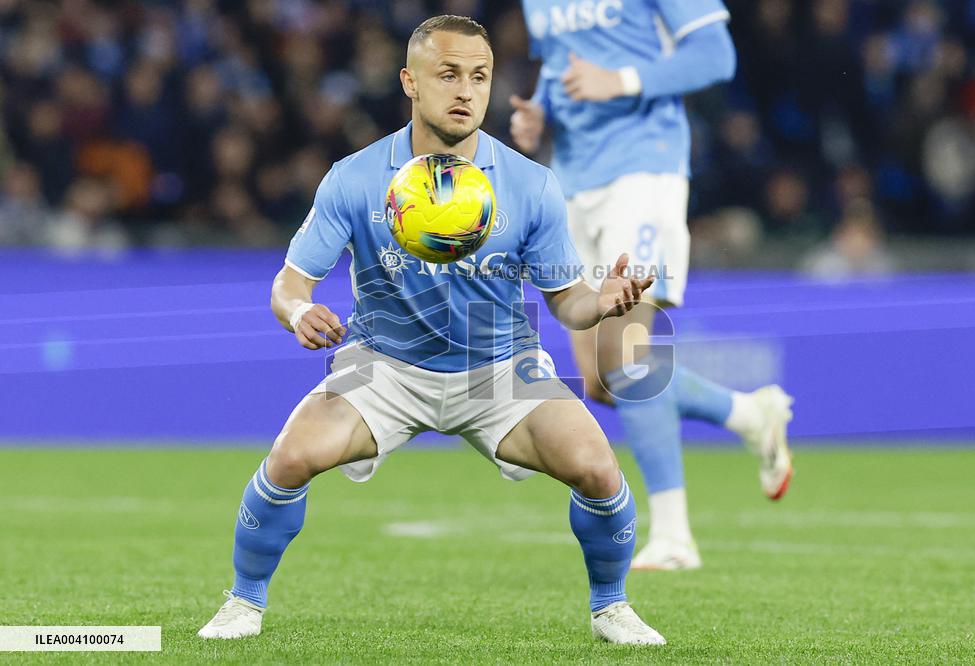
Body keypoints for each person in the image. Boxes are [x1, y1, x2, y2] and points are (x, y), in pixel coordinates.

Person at [198, 15, 668, 646]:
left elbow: (566, 303)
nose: (466, 91)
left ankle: (611, 606)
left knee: (599, 472)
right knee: (291, 458)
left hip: (501, 365)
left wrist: (603, 300)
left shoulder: (530, 185)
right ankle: (242, 602)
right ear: (409, 82)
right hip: (382, 363)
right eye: (448, 74)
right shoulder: (357, 177)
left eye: (479, 76)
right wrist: (296, 312)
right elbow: (290, 282)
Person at [511, 0, 794, 571]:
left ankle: (673, 537)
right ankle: (748, 413)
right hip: (572, 180)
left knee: (631, 362)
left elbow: (716, 54)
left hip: (643, 170)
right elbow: (560, 61)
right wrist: (539, 113)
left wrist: (621, 80)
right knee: (602, 382)